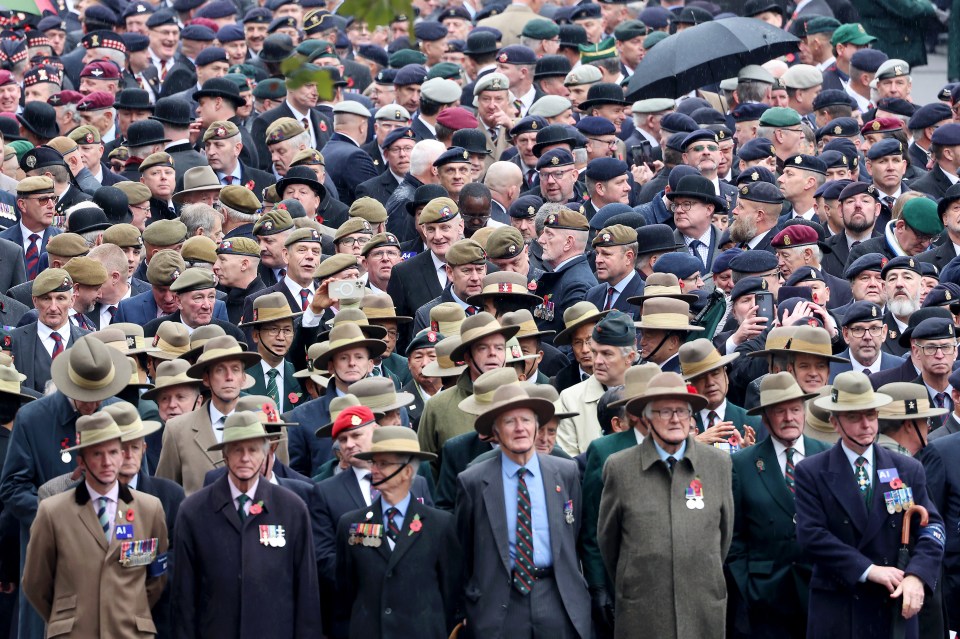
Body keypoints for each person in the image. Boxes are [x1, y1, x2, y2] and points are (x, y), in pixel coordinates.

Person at [795, 371, 946, 639]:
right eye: (854, 417)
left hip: (892, 607)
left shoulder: (907, 468)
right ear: (835, 422)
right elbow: (812, 536)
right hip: (840, 607)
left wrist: (917, 574)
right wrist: (868, 569)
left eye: (871, 415)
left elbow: (931, 526)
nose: (866, 424)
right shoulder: (812, 471)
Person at [0, 335, 131, 639]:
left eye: (100, 393)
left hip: (110, 558)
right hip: (51, 562)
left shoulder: (122, 414)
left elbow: (138, 486)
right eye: (84, 394)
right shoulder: (33, 419)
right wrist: (59, 522)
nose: (93, 402)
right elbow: (12, 488)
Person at [598, 372, 733, 639]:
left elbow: (723, 537)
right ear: (646, 418)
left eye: (682, 411)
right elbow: (608, 544)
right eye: (664, 411)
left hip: (702, 610)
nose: (675, 419)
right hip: (643, 614)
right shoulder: (620, 467)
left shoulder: (717, 463)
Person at [455, 384, 591, 639]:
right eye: (510, 421)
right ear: (495, 431)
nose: (520, 428)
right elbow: (464, 552)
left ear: (537, 426)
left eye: (526, 420)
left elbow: (576, 535)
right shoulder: (472, 481)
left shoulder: (565, 472)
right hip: (500, 604)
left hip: (558, 598)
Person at [173, 411, 322, 638]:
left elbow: (307, 594)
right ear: (224, 455)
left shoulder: (292, 509)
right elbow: (183, 597)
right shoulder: (193, 512)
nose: (245, 458)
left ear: (265, 454)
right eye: (237, 450)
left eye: (252, 450)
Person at [22, 412, 169, 637]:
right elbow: (35, 582)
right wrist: (67, 617)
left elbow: (157, 575)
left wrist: (131, 610)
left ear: (121, 456)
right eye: (96, 454)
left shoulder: (149, 509)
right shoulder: (53, 512)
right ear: (81, 461)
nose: (107, 462)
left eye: (112, 453)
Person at [315, 405, 433, 639]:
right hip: (359, 616)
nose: (349, 444)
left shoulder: (416, 483)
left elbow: (432, 541)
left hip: (414, 614)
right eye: (342, 438)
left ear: (377, 432)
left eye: (357, 435)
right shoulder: (324, 492)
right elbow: (324, 558)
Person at [728, 373, 831, 638]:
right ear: (764, 417)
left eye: (796, 409)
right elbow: (733, 537)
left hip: (822, 592)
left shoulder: (828, 455)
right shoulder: (742, 463)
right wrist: (748, 585)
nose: (789, 418)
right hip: (766, 599)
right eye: (780, 411)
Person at [335, 426, 461, 639]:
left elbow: (451, 593)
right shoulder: (350, 524)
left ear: (407, 471)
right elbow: (345, 592)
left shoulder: (440, 525)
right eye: (373, 462)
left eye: (383, 464)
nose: (374, 469)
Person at [155, 335, 259, 495]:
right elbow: (165, 493)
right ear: (205, 378)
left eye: (235, 369)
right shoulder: (177, 430)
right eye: (220, 370)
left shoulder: (263, 423)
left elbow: (278, 486)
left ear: (243, 378)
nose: (229, 377)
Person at [10, 268, 89, 393]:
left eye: (60, 298)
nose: (53, 307)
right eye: (46, 299)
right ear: (34, 301)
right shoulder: (14, 341)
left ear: (72, 300)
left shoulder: (90, 342)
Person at [240, 292, 304, 413]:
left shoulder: (300, 376)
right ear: (255, 335)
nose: (281, 337)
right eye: (273, 329)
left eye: (287, 330)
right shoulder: (241, 377)